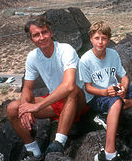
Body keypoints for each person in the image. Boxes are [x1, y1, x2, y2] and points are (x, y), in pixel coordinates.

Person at [7, 15, 87, 160]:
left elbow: (69, 85)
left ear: (50, 32)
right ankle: (33, 151)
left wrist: (36, 107)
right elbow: (27, 88)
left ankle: (58, 143)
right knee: (13, 108)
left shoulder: (65, 50)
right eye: (36, 35)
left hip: (79, 101)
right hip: (56, 102)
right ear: (31, 39)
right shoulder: (32, 57)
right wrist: (25, 106)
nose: (41, 37)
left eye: (44, 32)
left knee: (72, 89)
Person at [79, 21, 132, 161]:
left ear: (108, 39)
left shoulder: (113, 54)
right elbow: (88, 88)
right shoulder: (85, 60)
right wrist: (105, 93)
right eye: (97, 38)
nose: (100, 42)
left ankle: (112, 111)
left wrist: (124, 87)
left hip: (114, 91)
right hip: (97, 96)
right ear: (91, 38)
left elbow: (124, 76)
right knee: (116, 102)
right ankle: (109, 152)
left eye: (104, 38)